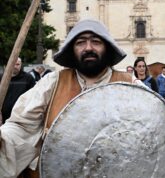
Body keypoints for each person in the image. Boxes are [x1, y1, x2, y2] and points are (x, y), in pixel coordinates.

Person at [0, 19, 136, 177]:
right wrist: (3, 139)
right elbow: (21, 128)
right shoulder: (52, 83)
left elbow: (150, 136)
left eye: (96, 42)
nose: (88, 48)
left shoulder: (130, 85)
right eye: (80, 42)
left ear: (107, 47)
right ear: (72, 50)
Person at [0, 57, 35, 123]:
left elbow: (33, 96)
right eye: (13, 64)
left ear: (21, 65)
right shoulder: (1, 77)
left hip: (20, 117)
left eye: (17, 64)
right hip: (3, 116)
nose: (15, 66)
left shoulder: (28, 78)